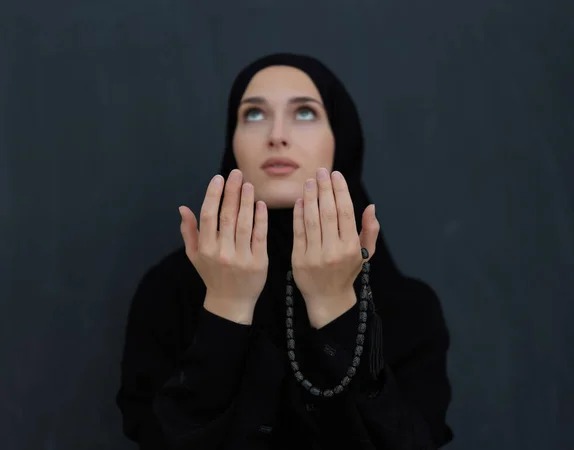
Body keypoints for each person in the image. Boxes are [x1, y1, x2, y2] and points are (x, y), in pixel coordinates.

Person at [116, 53, 453, 450]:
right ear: (233, 142)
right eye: (254, 114)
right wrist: (227, 307)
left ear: (340, 139)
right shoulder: (168, 291)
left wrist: (335, 308)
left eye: (305, 113)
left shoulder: (407, 306)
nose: (276, 135)